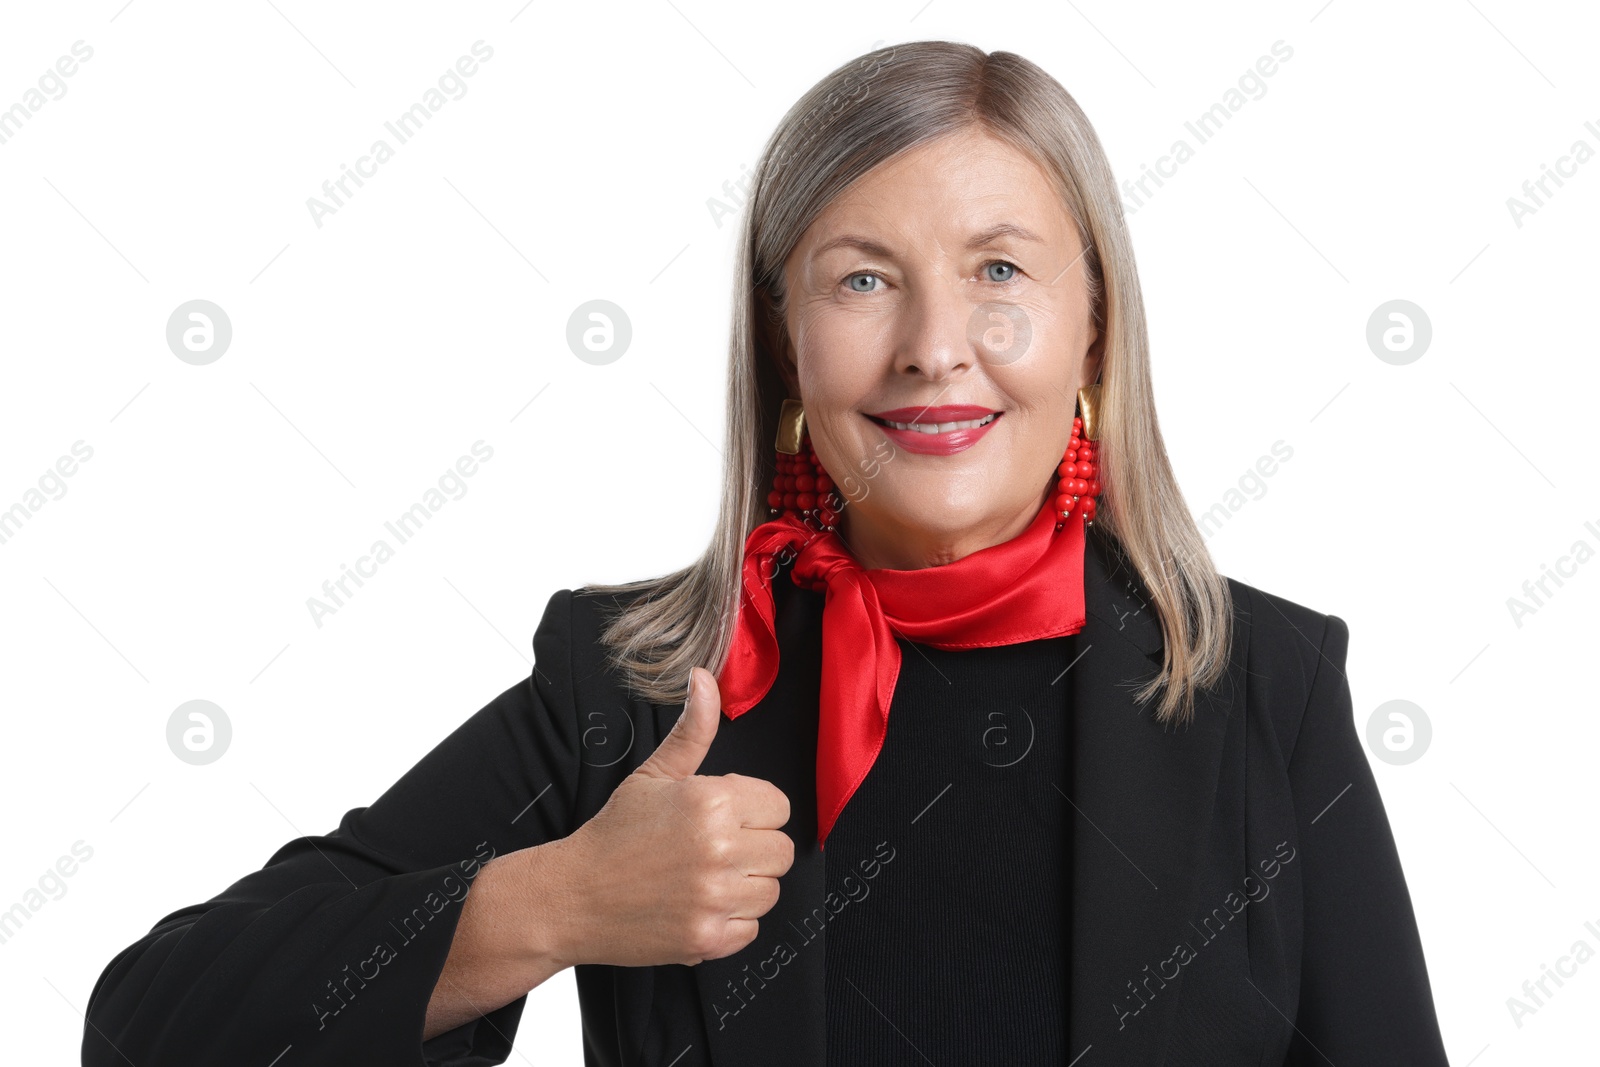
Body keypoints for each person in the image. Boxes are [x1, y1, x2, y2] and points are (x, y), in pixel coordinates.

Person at [83, 40, 1450, 1066]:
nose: (931, 345)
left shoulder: (1265, 683)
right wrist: (555, 899)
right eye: (863, 277)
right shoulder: (637, 685)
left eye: (999, 271)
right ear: (785, 339)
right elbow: (154, 1023)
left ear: (1094, 325)